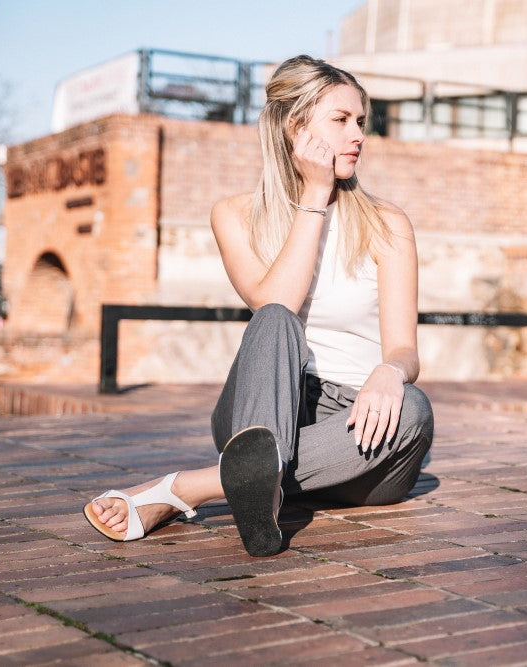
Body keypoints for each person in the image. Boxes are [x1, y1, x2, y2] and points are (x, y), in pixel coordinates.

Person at [83, 55, 434, 556]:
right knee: (272, 319)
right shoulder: (235, 215)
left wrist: (391, 371)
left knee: (415, 410)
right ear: (294, 128)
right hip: (268, 408)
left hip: (361, 434)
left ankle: (192, 488)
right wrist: (315, 194)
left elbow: (405, 348)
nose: (357, 135)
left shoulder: (386, 222)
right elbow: (277, 305)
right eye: (340, 120)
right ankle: (253, 472)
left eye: (360, 122)